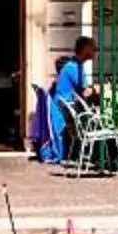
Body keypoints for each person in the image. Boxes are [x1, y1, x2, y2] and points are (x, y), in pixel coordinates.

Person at [43, 34, 96, 164]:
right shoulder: (75, 68)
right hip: (64, 110)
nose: (95, 50)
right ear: (85, 49)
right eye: (92, 48)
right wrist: (98, 89)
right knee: (96, 119)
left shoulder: (73, 65)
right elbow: (85, 93)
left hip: (63, 107)